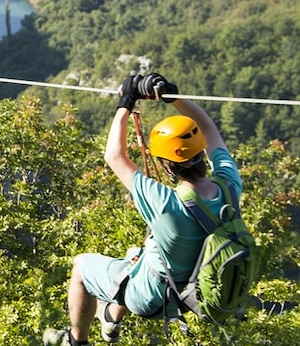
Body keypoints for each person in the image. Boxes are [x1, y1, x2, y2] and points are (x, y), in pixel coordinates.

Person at [43, 73, 242, 346]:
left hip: (151, 297)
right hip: (194, 293)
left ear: (167, 166)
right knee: (137, 253)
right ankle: (110, 322)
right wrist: (174, 98)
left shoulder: (166, 204)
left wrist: (126, 101)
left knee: (80, 266)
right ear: (202, 152)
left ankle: (75, 340)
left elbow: (114, 156)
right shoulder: (230, 186)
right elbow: (209, 128)